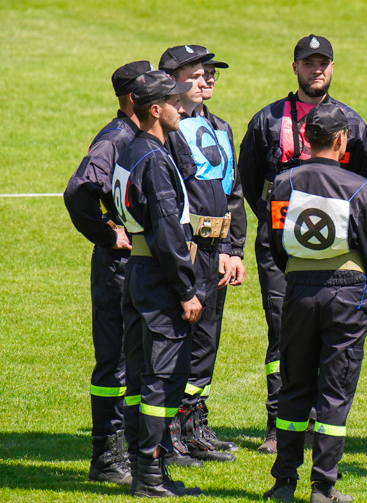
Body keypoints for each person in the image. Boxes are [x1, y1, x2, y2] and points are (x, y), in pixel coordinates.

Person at [238, 34, 367, 454]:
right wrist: (278, 228)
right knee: (283, 332)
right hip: (281, 248)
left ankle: (319, 423)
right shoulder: (267, 120)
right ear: (294, 67)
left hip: (335, 255)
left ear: (333, 67)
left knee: (329, 336)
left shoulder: (352, 123)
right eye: (308, 63)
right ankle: (279, 425)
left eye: (324, 63)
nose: (317, 70)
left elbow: (359, 183)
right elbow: (252, 177)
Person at [262, 102, 367, 503]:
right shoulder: (359, 186)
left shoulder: (283, 183)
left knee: (294, 385)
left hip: (297, 288)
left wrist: (299, 271)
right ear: (341, 139)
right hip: (346, 291)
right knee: (335, 390)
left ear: (305, 139)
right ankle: (323, 487)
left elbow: (275, 243)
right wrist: (355, 277)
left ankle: (283, 482)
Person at [64, 59, 153, 486]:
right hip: (117, 267)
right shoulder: (115, 138)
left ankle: (131, 450)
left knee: (135, 359)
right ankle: (106, 455)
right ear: (135, 98)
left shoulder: (137, 136)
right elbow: (79, 191)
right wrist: (105, 234)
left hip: (134, 266)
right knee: (115, 361)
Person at [113, 70, 202, 497]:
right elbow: (168, 231)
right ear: (155, 110)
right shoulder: (152, 158)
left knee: (140, 377)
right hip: (159, 280)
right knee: (162, 378)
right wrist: (186, 289)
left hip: (138, 275)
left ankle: (147, 469)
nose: (181, 106)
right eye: (174, 101)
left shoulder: (133, 150)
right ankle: (150, 475)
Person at [158, 45, 246, 465]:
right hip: (185, 249)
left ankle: (194, 424)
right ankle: (168, 431)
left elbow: (234, 193)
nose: (208, 79)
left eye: (211, 72)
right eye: (198, 73)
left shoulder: (220, 126)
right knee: (179, 336)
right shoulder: (166, 130)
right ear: (172, 79)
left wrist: (232, 249)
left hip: (217, 250)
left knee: (207, 339)